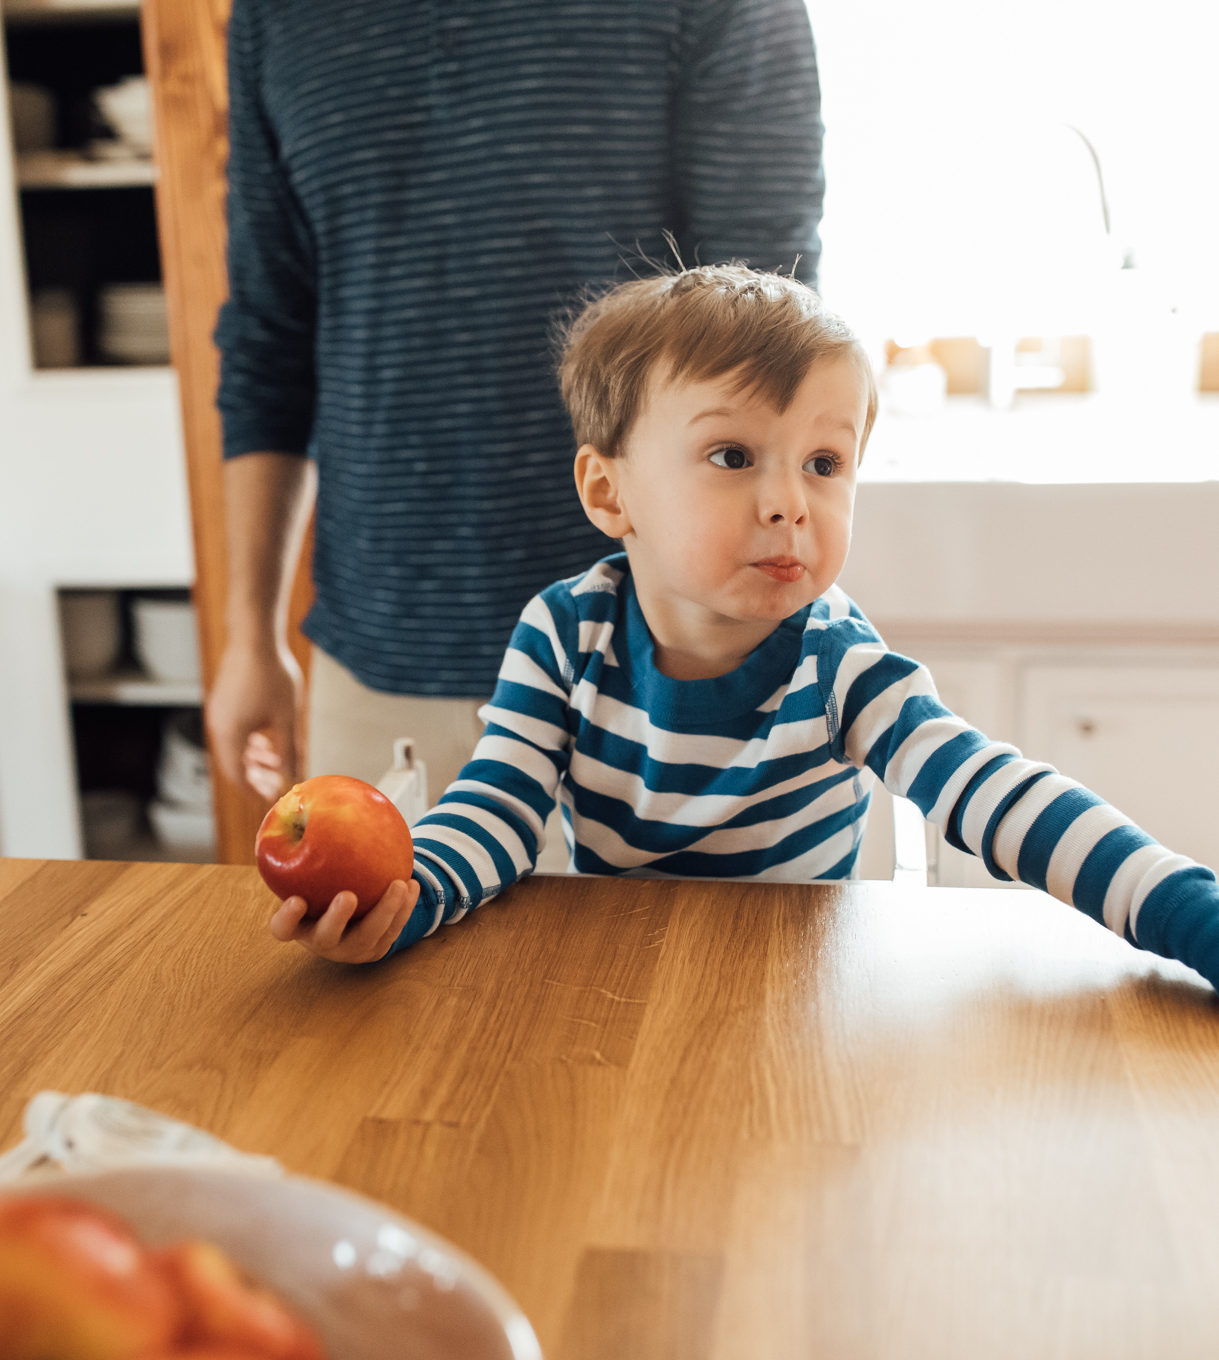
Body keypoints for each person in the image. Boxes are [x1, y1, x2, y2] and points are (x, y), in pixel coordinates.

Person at [264, 264, 1219, 1088]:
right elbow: (495, 814)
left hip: (806, 1015)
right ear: (610, 496)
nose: (788, 500)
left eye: (823, 461)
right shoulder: (561, 633)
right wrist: (403, 905)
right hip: (624, 1000)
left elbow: (998, 796)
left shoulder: (837, 659)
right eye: (730, 456)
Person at [207, 0, 827, 829]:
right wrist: (252, 635)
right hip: (375, 662)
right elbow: (268, 336)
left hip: (662, 662)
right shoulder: (274, 17)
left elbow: (767, 331)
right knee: (379, 949)